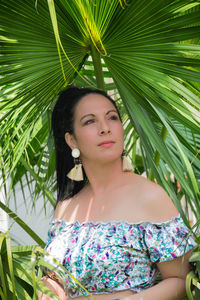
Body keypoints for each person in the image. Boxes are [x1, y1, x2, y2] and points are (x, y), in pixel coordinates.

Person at [38, 87, 197, 300]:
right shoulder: (67, 206)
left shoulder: (150, 197)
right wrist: (49, 286)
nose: (105, 128)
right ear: (72, 141)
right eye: (89, 121)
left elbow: (181, 280)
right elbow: (55, 275)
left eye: (112, 117)